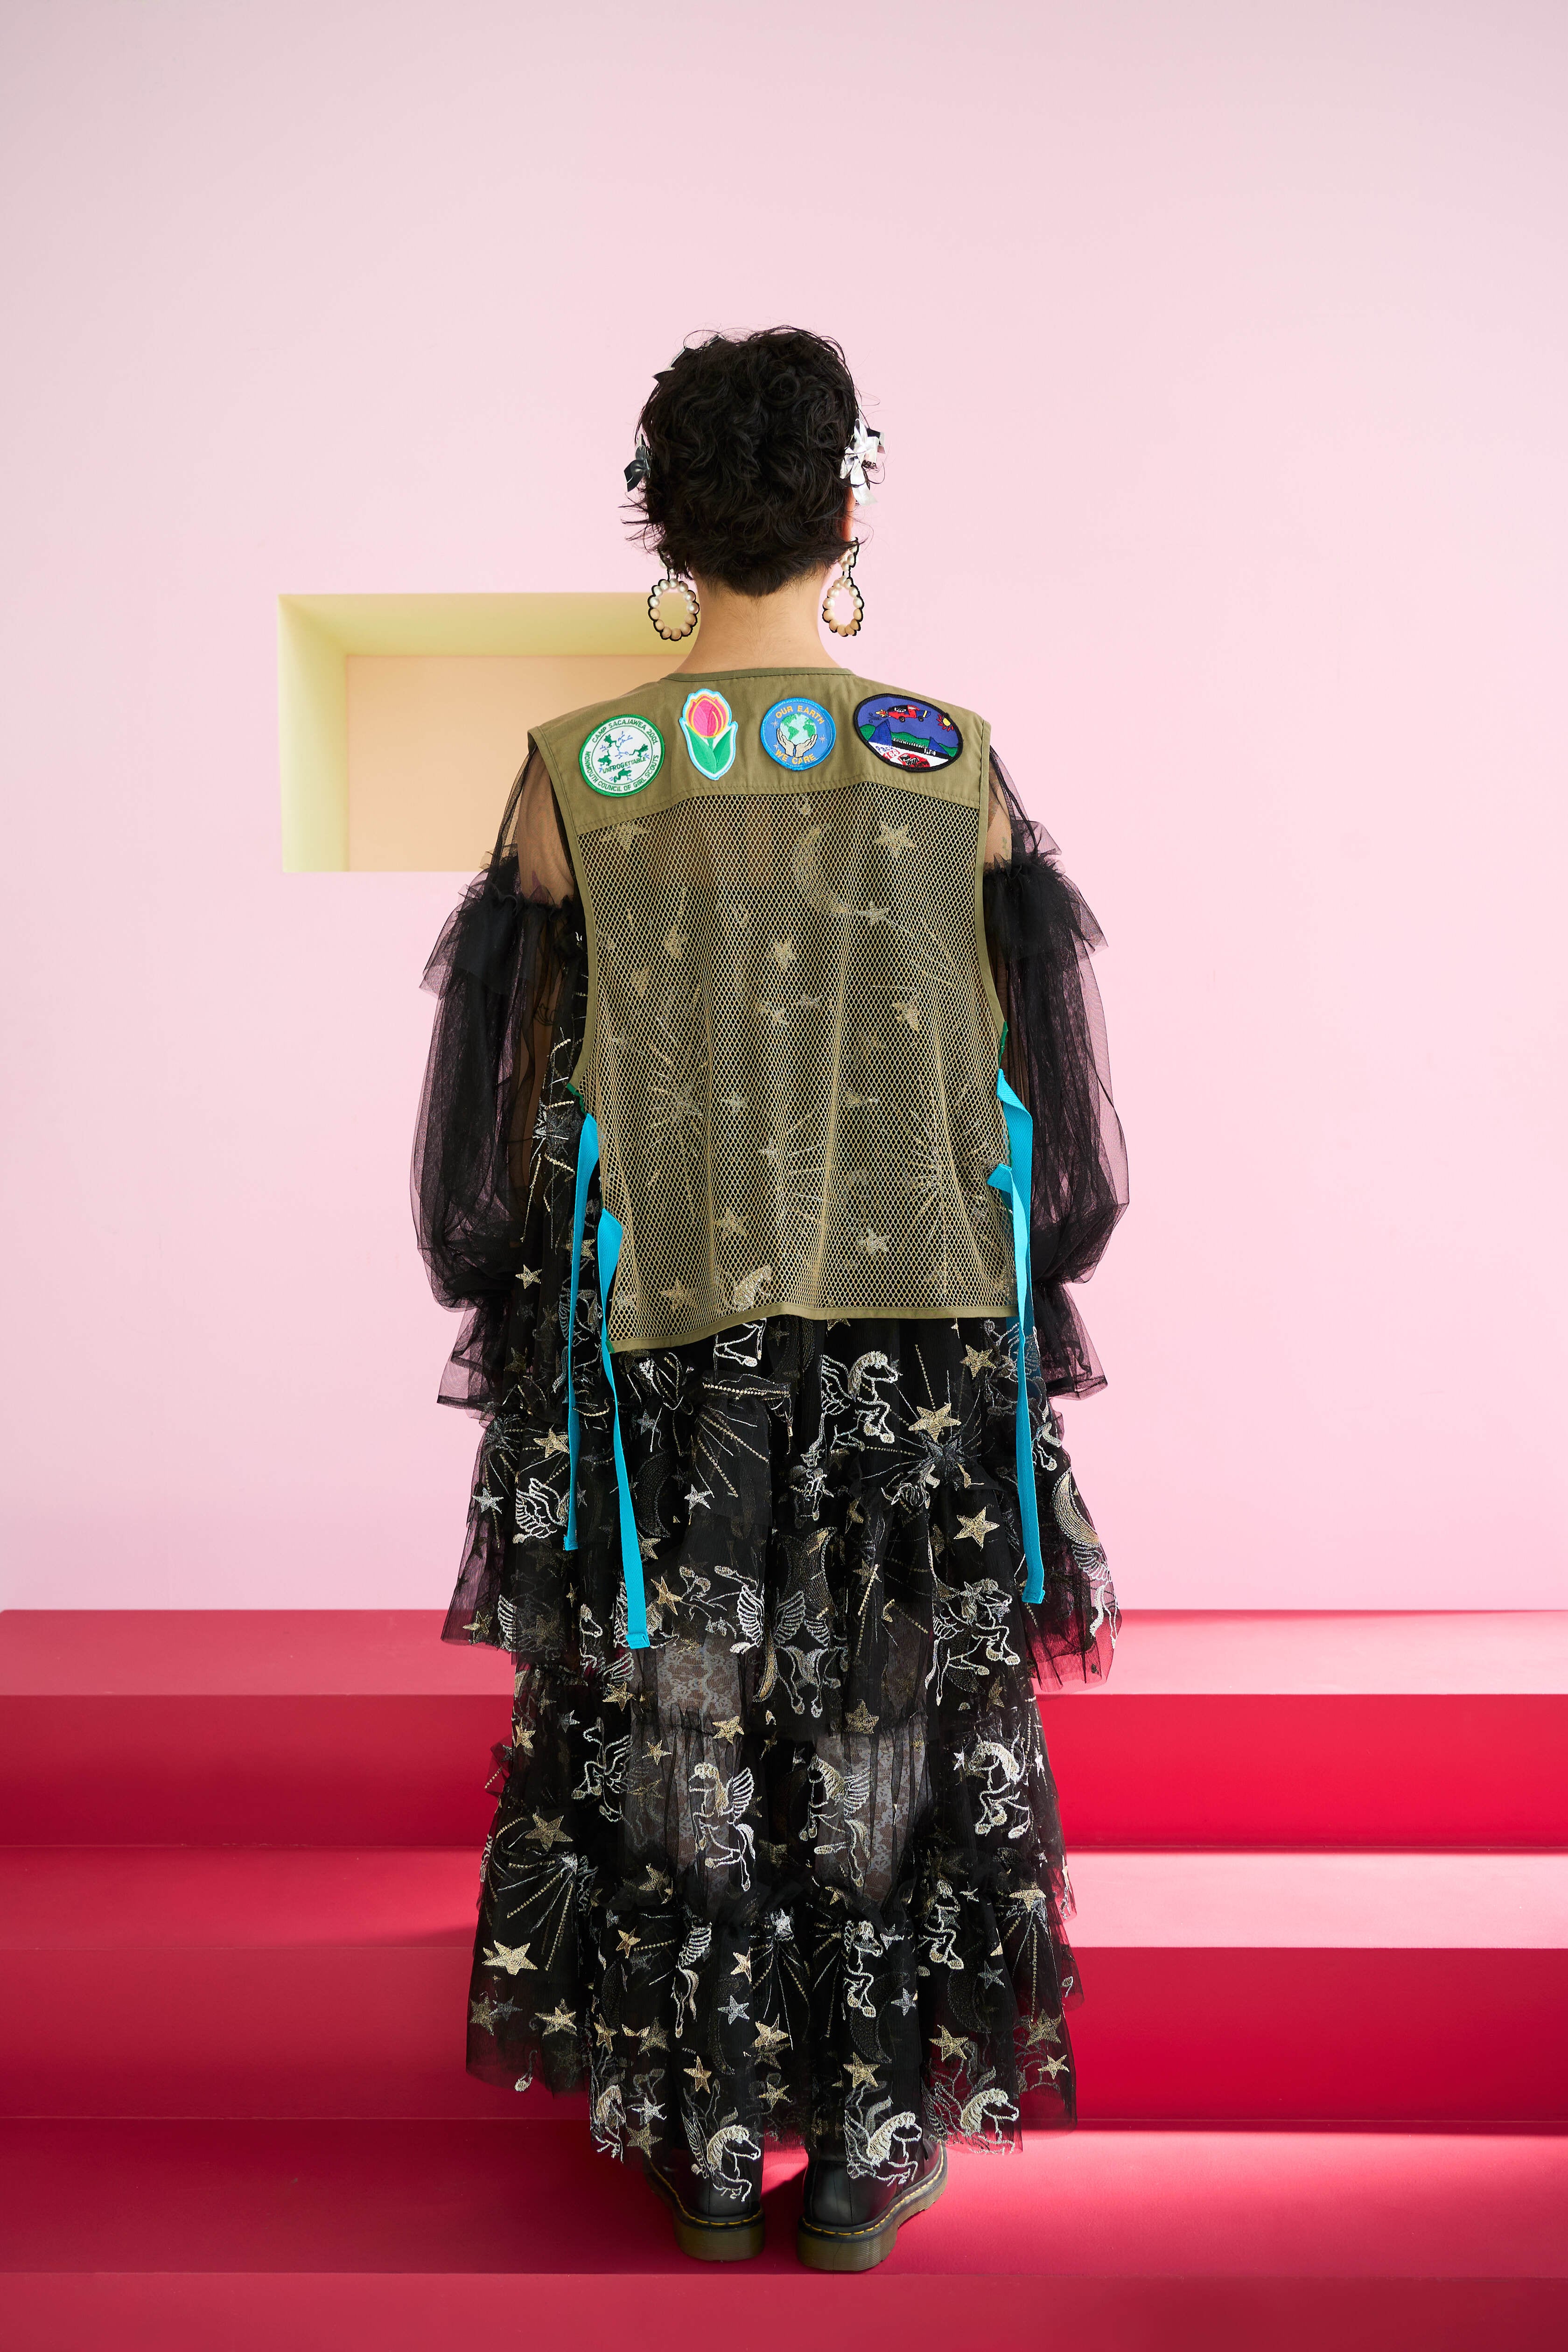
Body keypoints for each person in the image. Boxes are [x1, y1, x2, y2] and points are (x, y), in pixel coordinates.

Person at [412, 327, 1128, 2272]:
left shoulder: (582, 781)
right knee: (886, 1703)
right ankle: (875, 2136)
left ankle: (715, 2139)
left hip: (669, 1333)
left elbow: (513, 1112)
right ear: (848, 509)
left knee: (684, 1710)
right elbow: (1033, 1104)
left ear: (660, 515)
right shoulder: (946, 765)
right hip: (907, 1335)